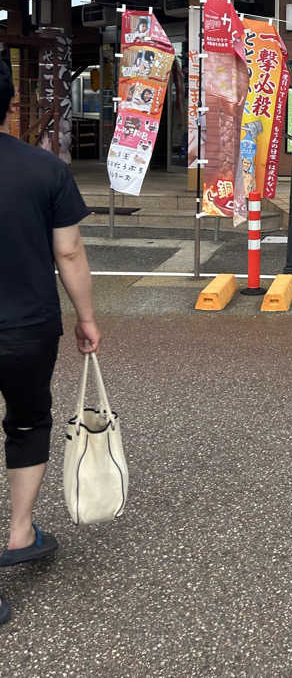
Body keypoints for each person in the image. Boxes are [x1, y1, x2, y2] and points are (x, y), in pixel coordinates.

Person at [0, 59, 100, 626]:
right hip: (27, 326)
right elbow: (68, 252)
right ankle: (19, 532)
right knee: (28, 420)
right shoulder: (44, 170)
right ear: (9, 101)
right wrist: (87, 317)